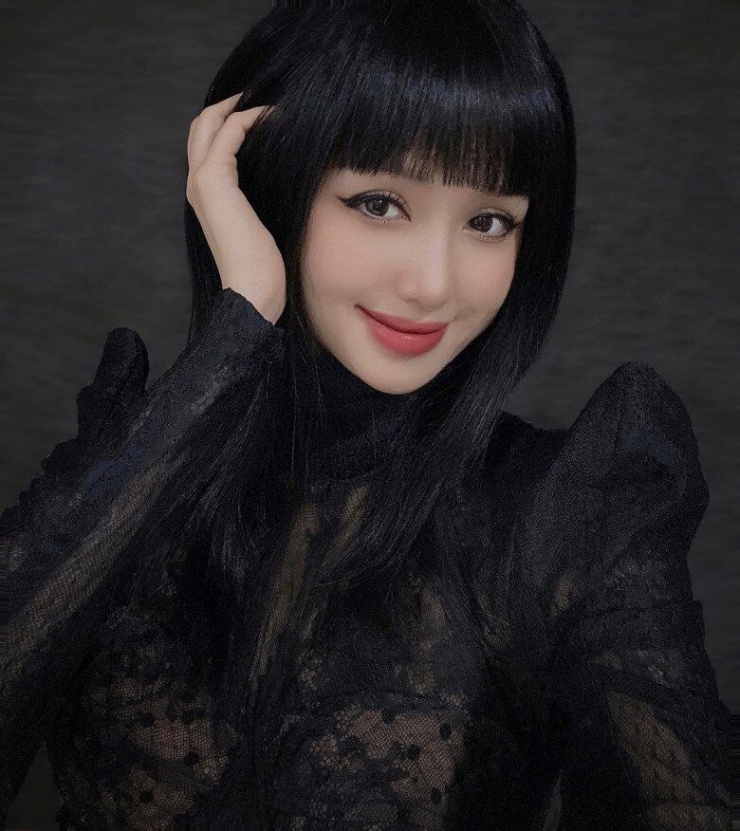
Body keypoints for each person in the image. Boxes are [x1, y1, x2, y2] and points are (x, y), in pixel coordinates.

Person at [0, 0, 731, 828]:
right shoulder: (133, 464)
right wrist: (236, 331)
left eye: (489, 221)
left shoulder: (565, 518)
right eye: (380, 202)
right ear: (273, 187)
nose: (433, 284)